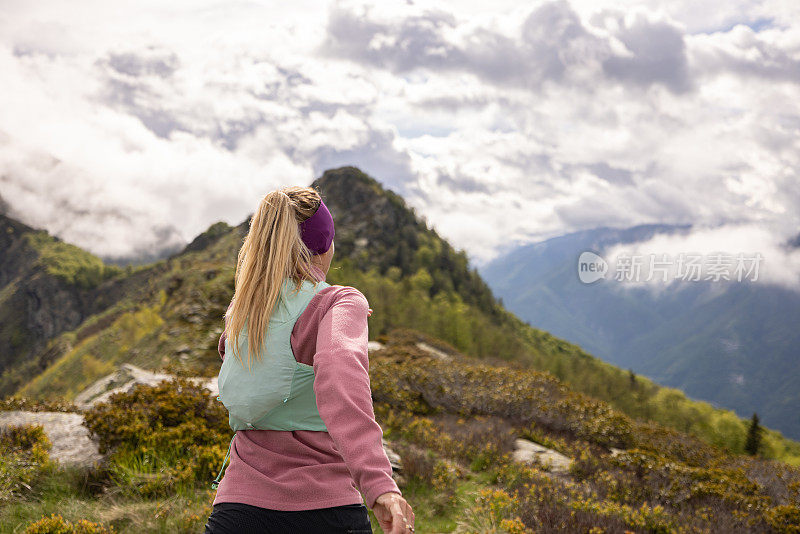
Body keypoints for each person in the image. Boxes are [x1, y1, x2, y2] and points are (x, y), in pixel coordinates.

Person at [203, 186, 415, 534]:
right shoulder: (338, 303)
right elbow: (340, 380)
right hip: (326, 510)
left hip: (237, 510)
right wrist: (379, 486)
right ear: (326, 245)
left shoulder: (240, 312)